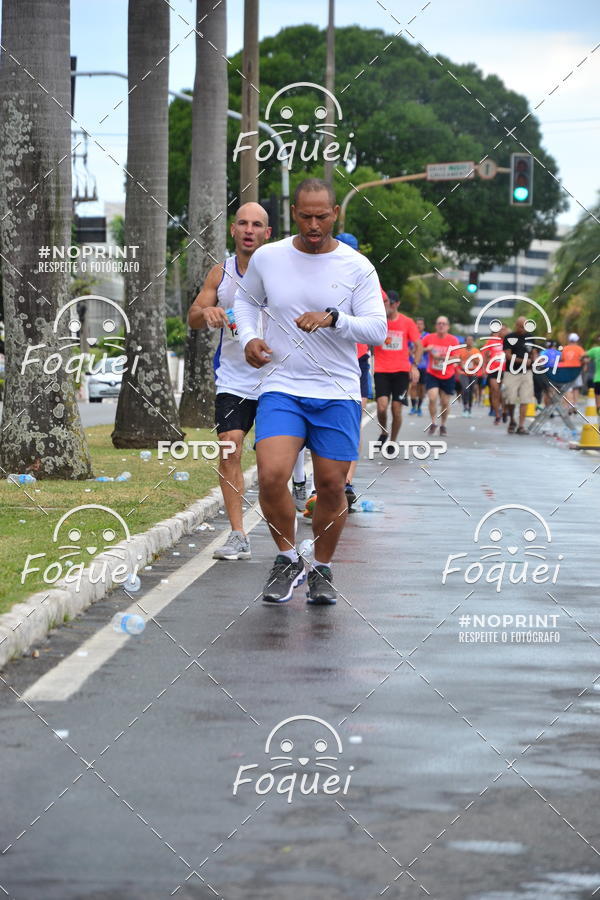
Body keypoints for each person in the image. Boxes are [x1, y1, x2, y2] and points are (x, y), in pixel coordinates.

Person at [234, 178, 387, 605]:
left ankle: (321, 567)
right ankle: (286, 558)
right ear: (294, 214)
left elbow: (377, 329)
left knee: (333, 486)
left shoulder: (357, 267)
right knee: (271, 475)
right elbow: (246, 302)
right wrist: (248, 337)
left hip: (336, 390)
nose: (314, 224)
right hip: (282, 384)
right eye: (306, 216)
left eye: (322, 216)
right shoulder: (269, 257)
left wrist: (335, 318)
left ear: (335, 213)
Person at [188, 203, 271, 560]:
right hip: (234, 379)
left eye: (257, 225)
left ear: (267, 233)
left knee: (272, 463)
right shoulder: (220, 273)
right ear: (233, 231)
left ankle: (291, 513)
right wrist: (205, 313)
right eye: (243, 223)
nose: (249, 229)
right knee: (229, 446)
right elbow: (192, 316)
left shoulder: (279, 271)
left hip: (276, 378)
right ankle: (238, 533)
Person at [373, 292, 421, 443]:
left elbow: (419, 345)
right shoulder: (379, 321)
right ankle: (384, 431)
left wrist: (414, 366)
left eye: (392, 303)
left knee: (396, 409)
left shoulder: (407, 322)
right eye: (387, 303)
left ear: (397, 304)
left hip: (401, 371)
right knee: (381, 407)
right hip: (381, 370)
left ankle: (393, 441)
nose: (389, 305)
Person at [421, 316, 460, 436]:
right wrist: (427, 349)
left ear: (448, 326)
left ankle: (443, 425)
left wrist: (442, 357)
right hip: (432, 373)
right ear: (436, 326)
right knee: (432, 398)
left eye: (443, 323)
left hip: (447, 374)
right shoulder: (429, 337)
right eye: (439, 323)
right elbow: (419, 349)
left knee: (444, 402)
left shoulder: (453, 340)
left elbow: (456, 357)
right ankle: (433, 422)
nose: (441, 325)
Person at [502, 316, 537, 434]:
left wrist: (535, 361)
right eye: (520, 326)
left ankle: (521, 426)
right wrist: (522, 361)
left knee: (525, 399)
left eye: (524, 327)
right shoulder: (509, 337)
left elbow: (533, 352)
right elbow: (508, 355)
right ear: (516, 325)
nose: (522, 329)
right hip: (511, 372)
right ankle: (512, 420)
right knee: (510, 399)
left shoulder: (531, 337)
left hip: (526, 372)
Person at [482, 325, 507, 424]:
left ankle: (504, 410)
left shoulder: (510, 341)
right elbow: (484, 354)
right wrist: (484, 368)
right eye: (501, 330)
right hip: (493, 370)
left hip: (506, 370)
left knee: (504, 393)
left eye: (504, 329)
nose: (502, 331)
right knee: (495, 391)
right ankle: (497, 414)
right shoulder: (491, 341)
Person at [558, 332, 586, 410]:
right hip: (576, 370)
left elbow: (561, 359)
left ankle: (568, 405)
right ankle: (575, 404)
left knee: (568, 388)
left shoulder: (565, 348)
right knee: (576, 388)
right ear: (576, 340)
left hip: (566, 370)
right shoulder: (579, 349)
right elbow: (584, 358)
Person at [457, 335, 482, 416]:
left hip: (473, 373)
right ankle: (465, 406)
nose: (470, 341)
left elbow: (479, 363)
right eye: (468, 340)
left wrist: (473, 358)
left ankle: (470, 408)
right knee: (465, 389)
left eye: (471, 340)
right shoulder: (461, 350)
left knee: (471, 391)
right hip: (463, 373)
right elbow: (458, 361)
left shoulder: (476, 351)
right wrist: (461, 365)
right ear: (465, 341)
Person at [409, 316, 428, 416]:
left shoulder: (427, 336)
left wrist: (421, 349)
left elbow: (431, 348)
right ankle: (413, 407)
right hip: (412, 365)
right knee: (413, 386)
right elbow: (407, 348)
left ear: (424, 326)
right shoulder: (411, 335)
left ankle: (419, 407)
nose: (418, 326)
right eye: (417, 324)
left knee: (421, 388)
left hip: (424, 366)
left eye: (420, 324)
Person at [586, 334, 600, 413]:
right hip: (596, 378)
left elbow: (582, 356)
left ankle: (598, 409)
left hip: (598, 379)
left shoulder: (595, 350)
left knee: (598, 398)